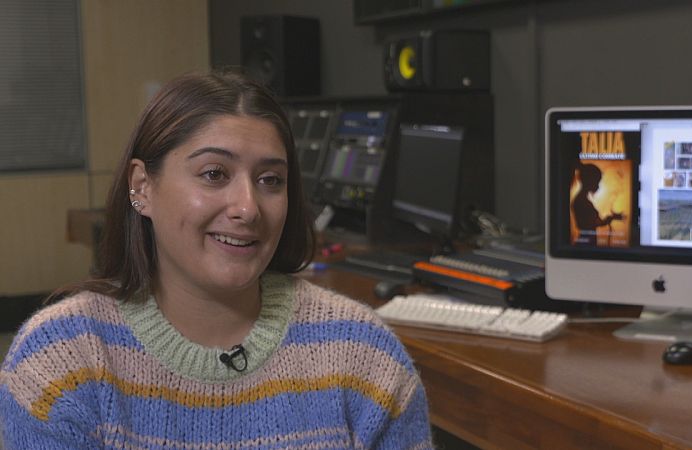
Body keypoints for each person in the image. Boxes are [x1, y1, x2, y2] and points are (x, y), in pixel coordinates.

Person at [0, 71, 433, 449]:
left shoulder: (365, 355)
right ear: (142, 187)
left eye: (270, 180)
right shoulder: (60, 365)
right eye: (214, 174)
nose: (248, 207)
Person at [572, 163, 624, 246]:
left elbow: (594, 223)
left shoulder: (582, 200)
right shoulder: (582, 201)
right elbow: (592, 224)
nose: (598, 186)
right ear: (590, 181)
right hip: (585, 244)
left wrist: (611, 218)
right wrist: (610, 218)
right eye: (597, 182)